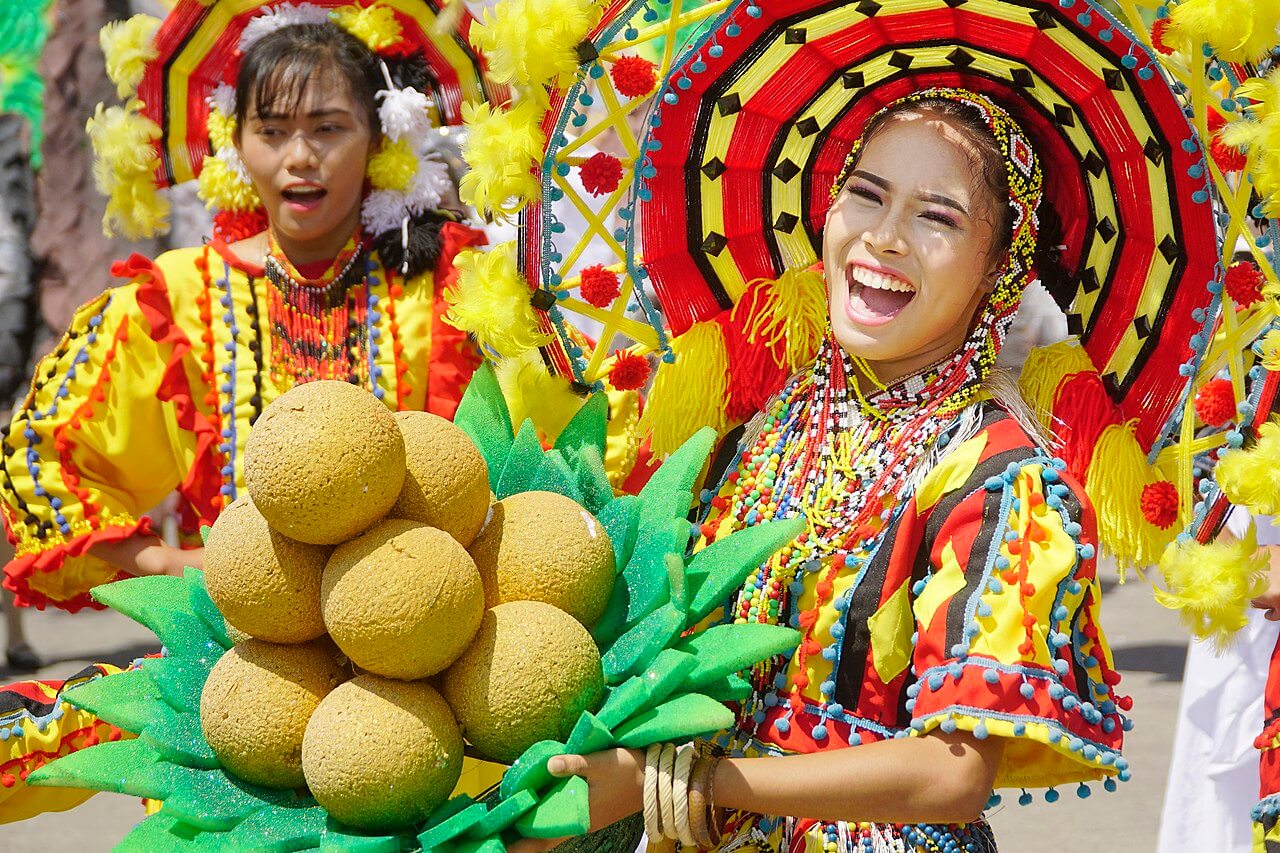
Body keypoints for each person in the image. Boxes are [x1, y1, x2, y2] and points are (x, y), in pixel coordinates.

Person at [509, 87, 1128, 853]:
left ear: (999, 268)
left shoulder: (996, 471)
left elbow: (954, 772)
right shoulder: (763, 427)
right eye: (865, 195)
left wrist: (693, 784)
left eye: (936, 216)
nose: (885, 236)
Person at [0, 1, 510, 821]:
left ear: (379, 138)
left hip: (433, 680)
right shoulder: (181, 297)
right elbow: (38, 456)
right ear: (236, 144)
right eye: (271, 131)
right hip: (241, 677)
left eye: (328, 128)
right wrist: (173, 570)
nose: (299, 159)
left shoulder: (453, 284)